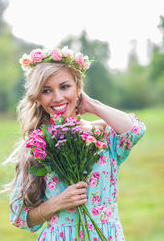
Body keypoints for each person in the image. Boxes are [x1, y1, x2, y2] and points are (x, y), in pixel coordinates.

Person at [8, 47, 146, 241]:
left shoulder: (102, 134)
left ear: (78, 87)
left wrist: (92, 106)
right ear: (37, 98)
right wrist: (56, 203)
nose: (57, 97)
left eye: (65, 87)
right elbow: (20, 217)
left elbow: (136, 130)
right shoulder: (38, 144)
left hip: (106, 235)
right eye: (46, 91)